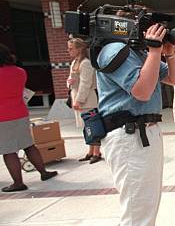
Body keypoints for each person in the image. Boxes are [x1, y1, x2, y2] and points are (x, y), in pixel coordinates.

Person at [96, 21, 175, 226]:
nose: (151, 31)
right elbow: (142, 92)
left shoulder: (142, 52)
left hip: (145, 132)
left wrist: (167, 51)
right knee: (136, 206)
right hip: (127, 135)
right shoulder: (113, 50)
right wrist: (154, 50)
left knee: (147, 201)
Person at [0, 43, 58, 192]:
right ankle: (44, 173)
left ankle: (18, 183)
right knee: (28, 144)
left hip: (2, 117)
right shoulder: (20, 72)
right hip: (20, 112)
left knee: (9, 150)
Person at [67, 37, 102, 163]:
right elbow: (71, 79)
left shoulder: (86, 63)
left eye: (71, 48)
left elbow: (85, 83)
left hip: (87, 99)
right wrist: (69, 83)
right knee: (86, 127)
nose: (69, 51)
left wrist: (79, 100)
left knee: (92, 125)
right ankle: (90, 151)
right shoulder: (75, 62)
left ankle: (96, 152)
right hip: (76, 95)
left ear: (79, 49)